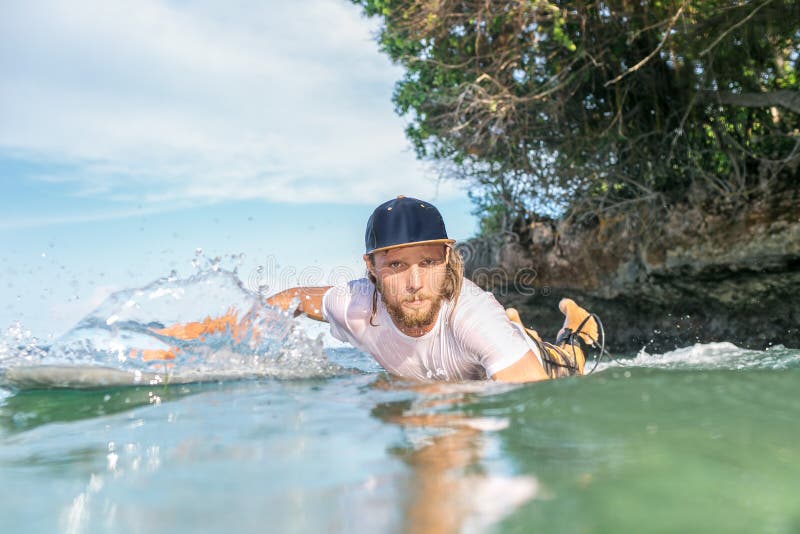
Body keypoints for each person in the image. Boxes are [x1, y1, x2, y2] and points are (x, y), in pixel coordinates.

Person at [264, 195, 600, 383]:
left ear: (446, 258)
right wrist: (220, 333)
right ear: (371, 267)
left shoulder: (470, 315)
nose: (415, 283)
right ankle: (514, 329)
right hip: (482, 352)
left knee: (568, 364)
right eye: (396, 265)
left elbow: (536, 406)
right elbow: (290, 298)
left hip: (515, 352)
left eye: (427, 263)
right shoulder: (355, 304)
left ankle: (576, 327)